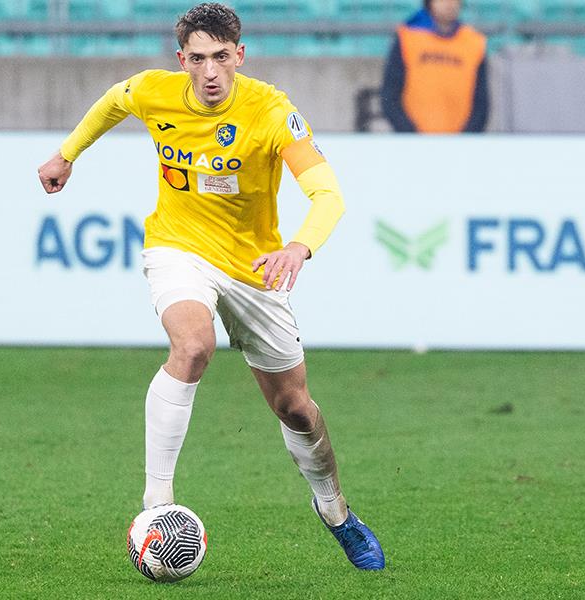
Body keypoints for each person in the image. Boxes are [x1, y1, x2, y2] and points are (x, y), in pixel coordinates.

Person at [36, 2, 385, 571]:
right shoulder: (156, 91)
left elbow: (329, 195)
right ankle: (156, 507)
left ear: (240, 55)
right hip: (179, 248)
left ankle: (335, 511)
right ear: (182, 61)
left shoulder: (272, 111)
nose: (211, 71)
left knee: (295, 408)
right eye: (198, 59)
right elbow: (115, 100)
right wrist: (66, 154)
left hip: (255, 268)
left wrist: (298, 247)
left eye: (221, 57)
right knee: (193, 345)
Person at [380, 0, 490, 133]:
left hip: (460, 142)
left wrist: (466, 137)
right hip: (414, 141)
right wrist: (410, 134)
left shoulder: (474, 42)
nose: (449, 4)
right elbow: (390, 94)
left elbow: (481, 102)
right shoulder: (407, 37)